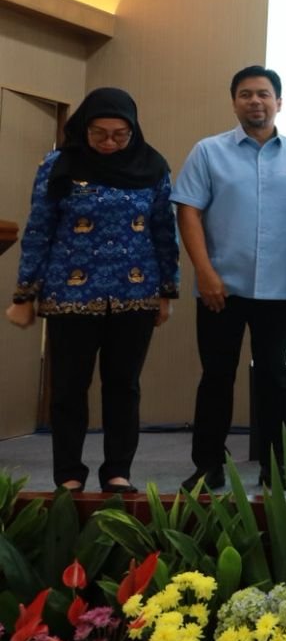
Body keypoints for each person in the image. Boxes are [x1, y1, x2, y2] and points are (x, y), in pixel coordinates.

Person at [6, 89, 179, 493]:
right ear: (83, 128)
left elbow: (163, 231)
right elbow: (39, 229)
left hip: (135, 294)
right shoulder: (58, 165)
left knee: (123, 388)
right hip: (70, 295)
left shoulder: (153, 167)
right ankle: (68, 474)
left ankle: (118, 471)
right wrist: (24, 294)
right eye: (99, 133)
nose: (109, 143)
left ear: (133, 130)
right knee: (68, 389)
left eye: (120, 135)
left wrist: (167, 292)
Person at [172, 67, 286, 491]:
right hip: (220, 288)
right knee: (216, 378)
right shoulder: (208, 152)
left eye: (263, 94)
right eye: (245, 94)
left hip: (280, 290)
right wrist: (205, 273)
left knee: (275, 380)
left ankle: (275, 467)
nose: (255, 101)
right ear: (234, 102)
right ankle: (208, 465)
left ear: (279, 102)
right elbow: (188, 212)